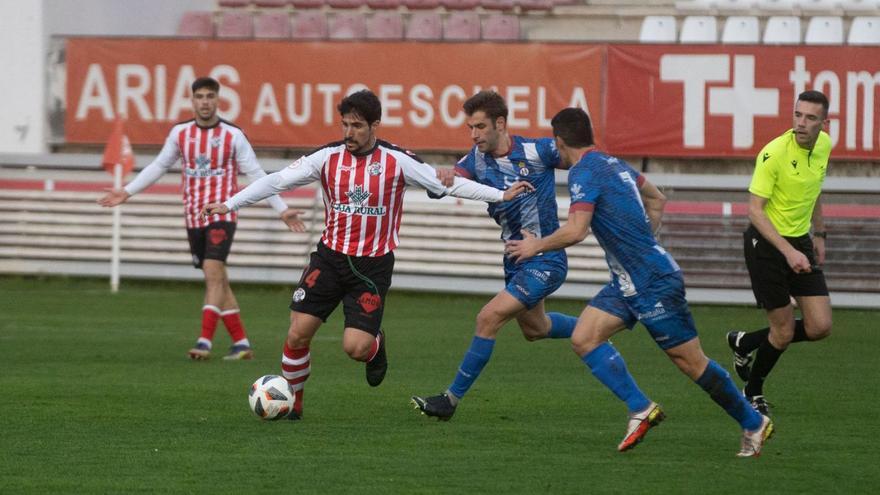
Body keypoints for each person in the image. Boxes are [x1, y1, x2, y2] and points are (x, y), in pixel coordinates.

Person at [201, 90, 532, 420]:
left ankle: (376, 346)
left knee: (355, 348)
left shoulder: (396, 160)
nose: (349, 133)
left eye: (357, 126)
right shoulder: (327, 157)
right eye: (345, 124)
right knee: (298, 331)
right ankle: (294, 405)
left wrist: (501, 194)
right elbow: (276, 181)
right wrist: (229, 204)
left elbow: (448, 186)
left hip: (371, 268)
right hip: (329, 258)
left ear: (375, 125)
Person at [505, 108, 773, 457]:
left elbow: (576, 229)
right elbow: (657, 198)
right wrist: (645, 237)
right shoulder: (614, 163)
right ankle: (640, 408)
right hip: (627, 280)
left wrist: (534, 246)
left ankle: (753, 423)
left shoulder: (584, 171)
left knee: (691, 362)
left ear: (558, 142)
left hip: (653, 280)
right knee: (585, 337)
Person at [98, 76, 303, 361]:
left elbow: (256, 175)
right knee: (218, 279)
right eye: (200, 97)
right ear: (192, 100)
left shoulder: (233, 135)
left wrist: (281, 208)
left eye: (210, 96)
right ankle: (241, 344)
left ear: (218, 100)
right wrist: (128, 191)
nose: (205, 102)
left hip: (222, 215)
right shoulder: (180, 133)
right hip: (193, 217)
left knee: (211, 272)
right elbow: (159, 165)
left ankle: (204, 341)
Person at [411, 91, 577, 421]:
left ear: (500, 124)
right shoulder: (474, 160)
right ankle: (597, 327)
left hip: (545, 257)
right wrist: (441, 179)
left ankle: (450, 401)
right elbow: (443, 187)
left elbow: (581, 159)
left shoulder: (538, 150)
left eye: (480, 127)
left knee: (488, 318)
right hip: (515, 259)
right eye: (470, 127)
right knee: (536, 328)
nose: (474, 135)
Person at [726, 90, 833, 416]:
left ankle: (745, 342)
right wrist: (788, 252)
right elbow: (754, 211)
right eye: (798, 115)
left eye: (810, 118)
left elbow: (814, 190)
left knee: (820, 326)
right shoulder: (773, 154)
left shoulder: (825, 145)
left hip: (799, 242)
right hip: (767, 245)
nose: (802, 123)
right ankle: (752, 390)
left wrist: (819, 233)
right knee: (784, 331)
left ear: (823, 123)